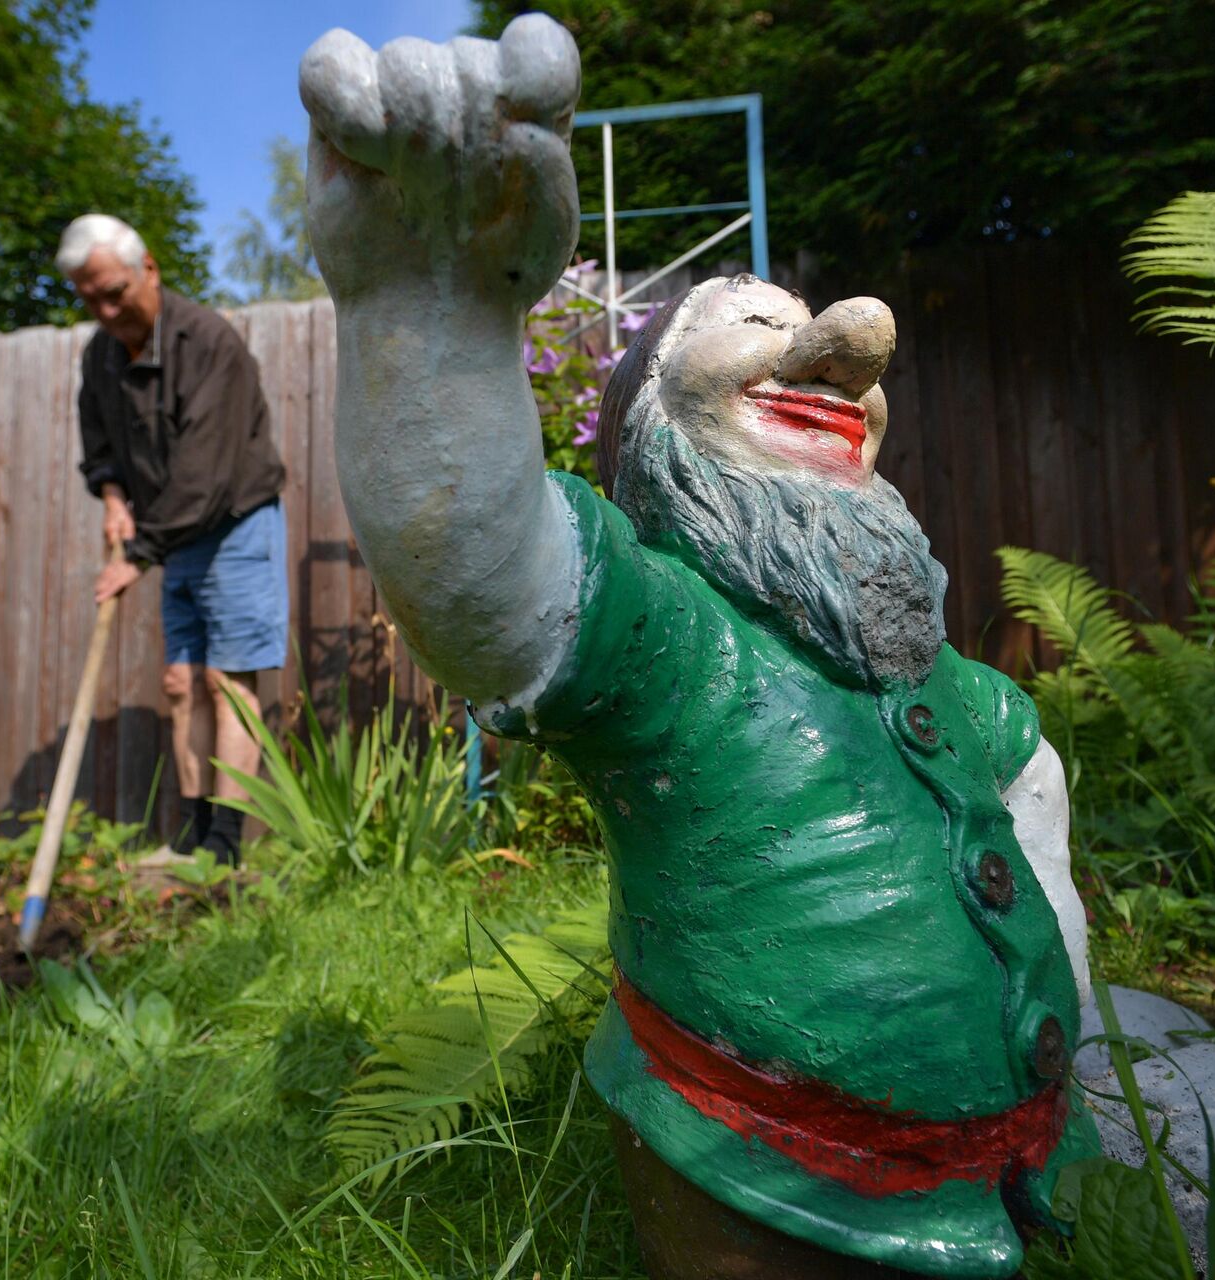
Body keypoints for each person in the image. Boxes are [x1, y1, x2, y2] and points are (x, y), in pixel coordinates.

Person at [300, 17, 1095, 1280]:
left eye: (812, 323)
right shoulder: (673, 636)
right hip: (769, 1185)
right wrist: (428, 322)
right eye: (758, 328)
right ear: (654, 420)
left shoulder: (957, 692)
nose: (850, 347)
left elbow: (1022, 805)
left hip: (1019, 1168)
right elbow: (488, 578)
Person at [56, 213, 288, 865]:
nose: (104, 310)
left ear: (148, 270)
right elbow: (98, 445)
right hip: (172, 530)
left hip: (235, 519)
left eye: (113, 292)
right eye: (89, 298)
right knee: (181, 682)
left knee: (226, 679)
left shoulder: (209, 343)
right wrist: (112, 498)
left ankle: (227, 847)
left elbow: (204, 474)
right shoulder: (101, 355)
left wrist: (137, 554)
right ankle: (190, 838)